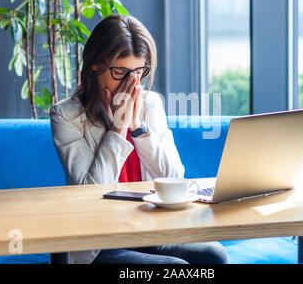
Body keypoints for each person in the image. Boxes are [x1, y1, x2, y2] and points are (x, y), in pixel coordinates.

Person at [49, 14, 228, 264]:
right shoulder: (66, 115)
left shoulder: (150, 104)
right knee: (174, 268)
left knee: (214, 255)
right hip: (99, 240)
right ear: (95, 65)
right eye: (120, 71)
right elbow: (89, 192)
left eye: (138, 72)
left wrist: (137, 129)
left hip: (147, 228)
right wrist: (118, 129)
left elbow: (175, 177)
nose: (131, 82)